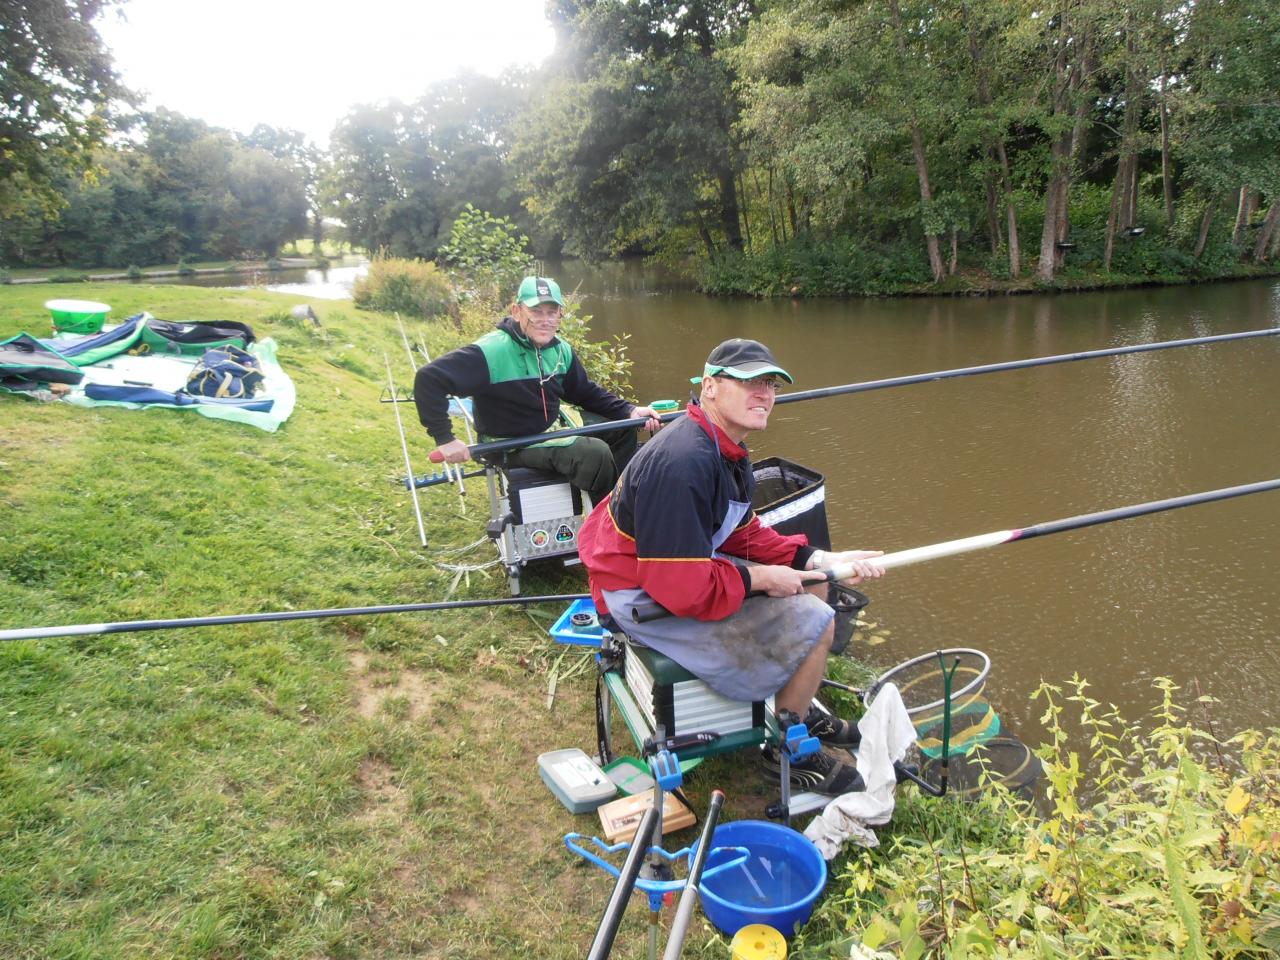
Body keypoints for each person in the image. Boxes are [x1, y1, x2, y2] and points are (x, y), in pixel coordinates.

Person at [577, 338, 886, 795]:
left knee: (817, 585)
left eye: (771, 385)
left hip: (674, 570)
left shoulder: (725, 447)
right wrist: (761, 578)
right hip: (637, 594)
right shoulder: (684, 462)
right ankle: (787, 753)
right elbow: (679, 586)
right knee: (819, 619)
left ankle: (795, 714)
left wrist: (820, 559)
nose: (764, 394)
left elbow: (744, 534)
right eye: (749, 382)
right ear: (710, 388)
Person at [414, 275, 660, 504]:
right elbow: (428, 380)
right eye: (536, 311)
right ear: (517, 311)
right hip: (509, 443)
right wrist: (445, 438)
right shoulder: (491, 351)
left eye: (552, 312)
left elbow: (584, 392)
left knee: (623, 429)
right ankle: (605, 520)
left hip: (550, 428)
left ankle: (617, 499)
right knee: (594, 453)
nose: (545, 320)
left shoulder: (560, 349)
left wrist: (629, 410)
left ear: (560, 314)